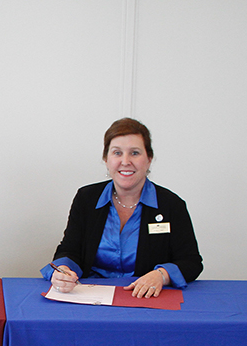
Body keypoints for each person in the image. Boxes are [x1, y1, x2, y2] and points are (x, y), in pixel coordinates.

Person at [44, 118, 202, 298]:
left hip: (147, 299)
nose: (125, 161)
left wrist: (161, 275)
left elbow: (191, 262)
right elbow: (69, 250)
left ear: (149, 159)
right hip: (90, 298)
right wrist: (63, 271)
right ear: (106, 159)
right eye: (117, 153)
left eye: (135, 153)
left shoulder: (171, 204)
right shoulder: (86, 199)